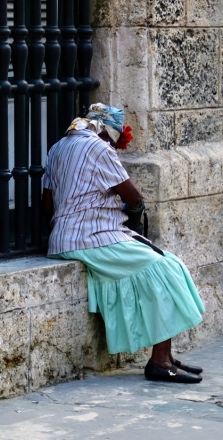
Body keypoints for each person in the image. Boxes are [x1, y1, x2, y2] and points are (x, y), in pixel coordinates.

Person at [42, 103, 205, 384]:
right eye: (114, 141)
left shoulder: (57, 148)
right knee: (164, 268)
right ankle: (160, 362)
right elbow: (133, 196)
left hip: (64, 237)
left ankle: (166, 353)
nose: (114, 148)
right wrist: (134, 213)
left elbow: (47, 205)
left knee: (167, 261)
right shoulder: (99, 147)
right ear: (107, 131)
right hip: (91, 237)